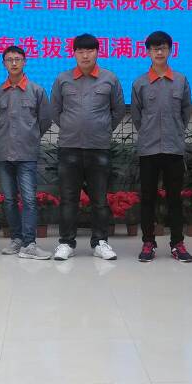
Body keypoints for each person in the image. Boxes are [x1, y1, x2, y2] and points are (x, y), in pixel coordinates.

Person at [50, 33, 126, 261]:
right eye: (81, 51)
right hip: (69, 148)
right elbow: (55, 110)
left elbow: (118, 110)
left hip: (98, 148)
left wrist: (102, 129)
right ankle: (66, 243)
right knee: (68, 199)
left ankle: (100, 242)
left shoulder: (109, 78)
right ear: (74, 53)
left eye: (90, 51)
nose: (85, 55)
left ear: (97, 52)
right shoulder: (63, 79)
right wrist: (72, 127)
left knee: (100, 200)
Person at [130, 31, 192, 262]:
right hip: (148, 149)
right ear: (148, 52)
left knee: (175, 198)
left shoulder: (181, 80)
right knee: (148, 198)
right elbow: (137, 116)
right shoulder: (139, 83)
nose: (159, 52)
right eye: (155, 48)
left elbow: (185, 112)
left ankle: (177, 243)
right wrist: (149, 132)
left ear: (170, 51)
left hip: (173, 148)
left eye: (163, 47)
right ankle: (148, 242)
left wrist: (174, 131)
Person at [0, 46, 53, 260]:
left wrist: (31, 136)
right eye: (9, 60)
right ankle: (16, 239)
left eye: (18, 59)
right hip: (3, 154)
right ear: (4, 64)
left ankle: (30, 243)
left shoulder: (37, 91)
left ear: (25, 62)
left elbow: (45, 120)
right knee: (9, 200)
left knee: (28, 199)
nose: (14, 63)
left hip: (27, 154)